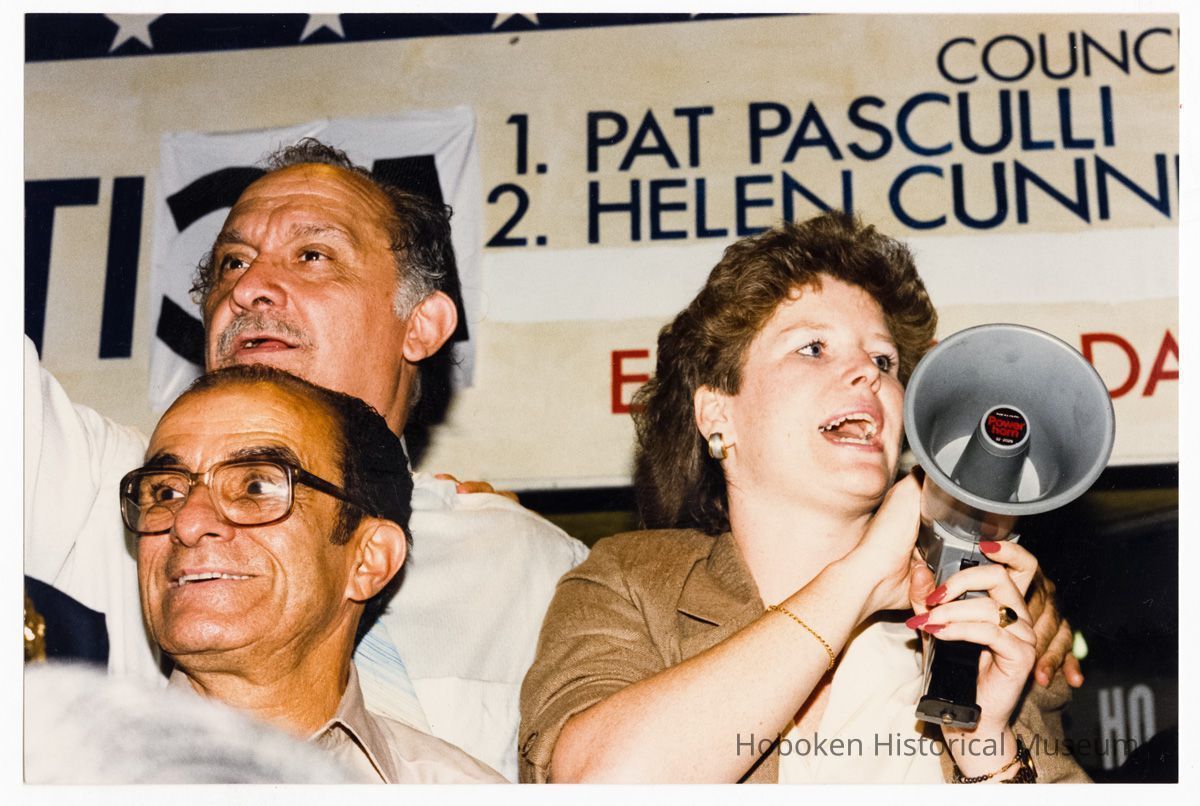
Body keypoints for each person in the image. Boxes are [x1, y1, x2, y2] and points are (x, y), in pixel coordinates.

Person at [24, 138, 587, 780]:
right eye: (231, 263)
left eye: (313, 256)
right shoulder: (110, 484)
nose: (250, 288)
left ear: (422, 325)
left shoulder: (535, 570)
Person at [519, 213, 1090, 783]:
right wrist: (860, 578)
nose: (868, 373)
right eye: (813, 348)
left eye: (884, 360)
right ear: (718, 414)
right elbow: (598, 782)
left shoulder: (978, 616)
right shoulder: (627, 581)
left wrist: (987, 752)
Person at [118, 365, 503, 782]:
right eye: (166, 492)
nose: (187, 522)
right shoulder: (56, 769)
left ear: (368, 560)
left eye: (256, 487)